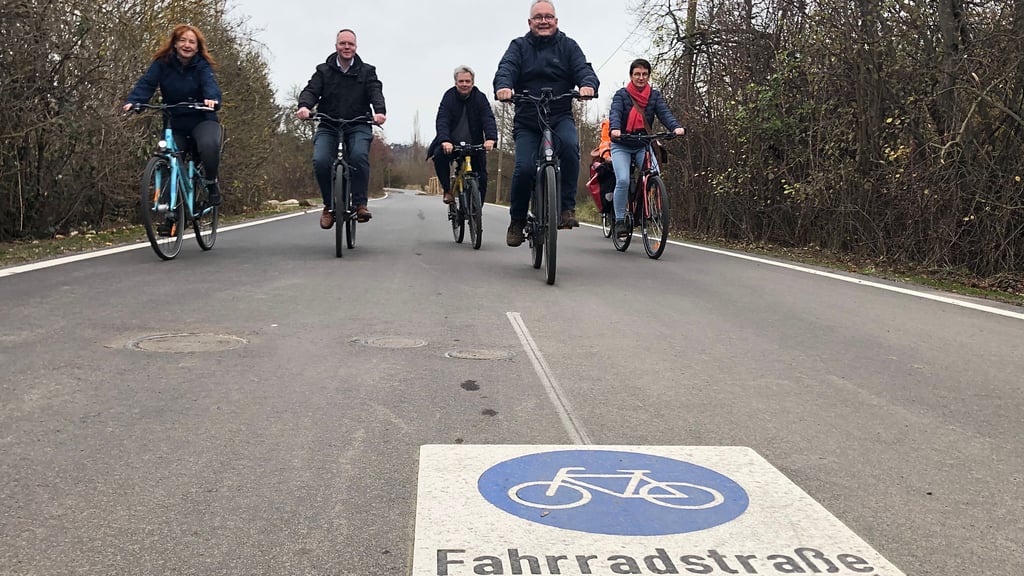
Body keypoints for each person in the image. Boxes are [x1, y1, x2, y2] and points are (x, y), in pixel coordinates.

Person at [494, 0, 599, 247]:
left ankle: (566, 208)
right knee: (524, 169)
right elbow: (506, 69)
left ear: (556, 21)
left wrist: (587, 85)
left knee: (572, 149)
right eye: (538, 17)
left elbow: (583, 69)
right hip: (528, 119)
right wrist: (503, 87)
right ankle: (518, 220)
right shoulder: (518, 46)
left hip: (559, 115)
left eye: (548, 17)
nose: (543, 21)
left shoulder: (568, 46)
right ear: (530, 22)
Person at [124, 24, 224, 214]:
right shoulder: (162, 63)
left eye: (191, 42)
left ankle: (211, 183)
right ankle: (172, 213)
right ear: (175, 43)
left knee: (209, 146)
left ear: (197, 46)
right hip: (175, 122)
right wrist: (135, 101)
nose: (187, 45)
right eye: (182, 40)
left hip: (202, 118)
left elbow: (210, 84)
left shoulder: (202, 65)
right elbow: (147, 83)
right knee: (169, 159)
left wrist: (212, 99)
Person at [296, 29, 387, 229]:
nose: (346, 47)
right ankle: (329, 206)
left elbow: (375, 92)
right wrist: (304, 106)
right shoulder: (323, 70)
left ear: (356, 47)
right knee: (320, 160)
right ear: (336, 46)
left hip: (358, 124)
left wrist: (379, 111)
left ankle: (360, 204)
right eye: (342, 43)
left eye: (351, 44)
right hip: (329, 123)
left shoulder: (367, 71)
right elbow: (311, 90)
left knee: (358, 156)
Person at [608, 58, 685, 238]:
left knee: (654, 175)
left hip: (643, 144)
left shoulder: (654, 96)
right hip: (622, 144)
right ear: (631, 76)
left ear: (649, 76)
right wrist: (615, 129)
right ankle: (620, 220)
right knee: (624, 180)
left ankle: (647, 210)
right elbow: (615, 113)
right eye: (637, 74)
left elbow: (664, 113)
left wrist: (675, 127)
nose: (641, 78)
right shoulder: (622, 95)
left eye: (644, 74)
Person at [426, 66, 497, 207]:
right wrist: (445, 140)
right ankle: (447, 190)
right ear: (455, 82)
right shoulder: (449, 97)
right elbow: (442, 119)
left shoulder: (480, 98)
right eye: (461, 81)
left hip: (475, 144)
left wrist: (491, 138)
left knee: (482, 176)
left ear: (473, 82)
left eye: (467, 81)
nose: (464, 84)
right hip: (451, 143)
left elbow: (488, 118)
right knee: (439, 157)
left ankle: (477, 209)